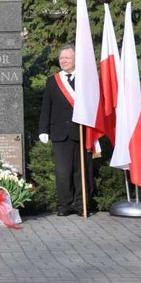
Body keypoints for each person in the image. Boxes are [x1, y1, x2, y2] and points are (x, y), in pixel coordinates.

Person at [38, 44, 92, 216]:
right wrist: (43, 130)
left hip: (81, 132)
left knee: (80, 171)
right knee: (62, 172)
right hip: (59, 133)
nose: (64, 61)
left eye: (67, 58)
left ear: (75, 59)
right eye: (62, 58)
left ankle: (80, 204)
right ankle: (64, 205)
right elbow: (46, 107)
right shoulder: (53, 80)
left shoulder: (85, 79)